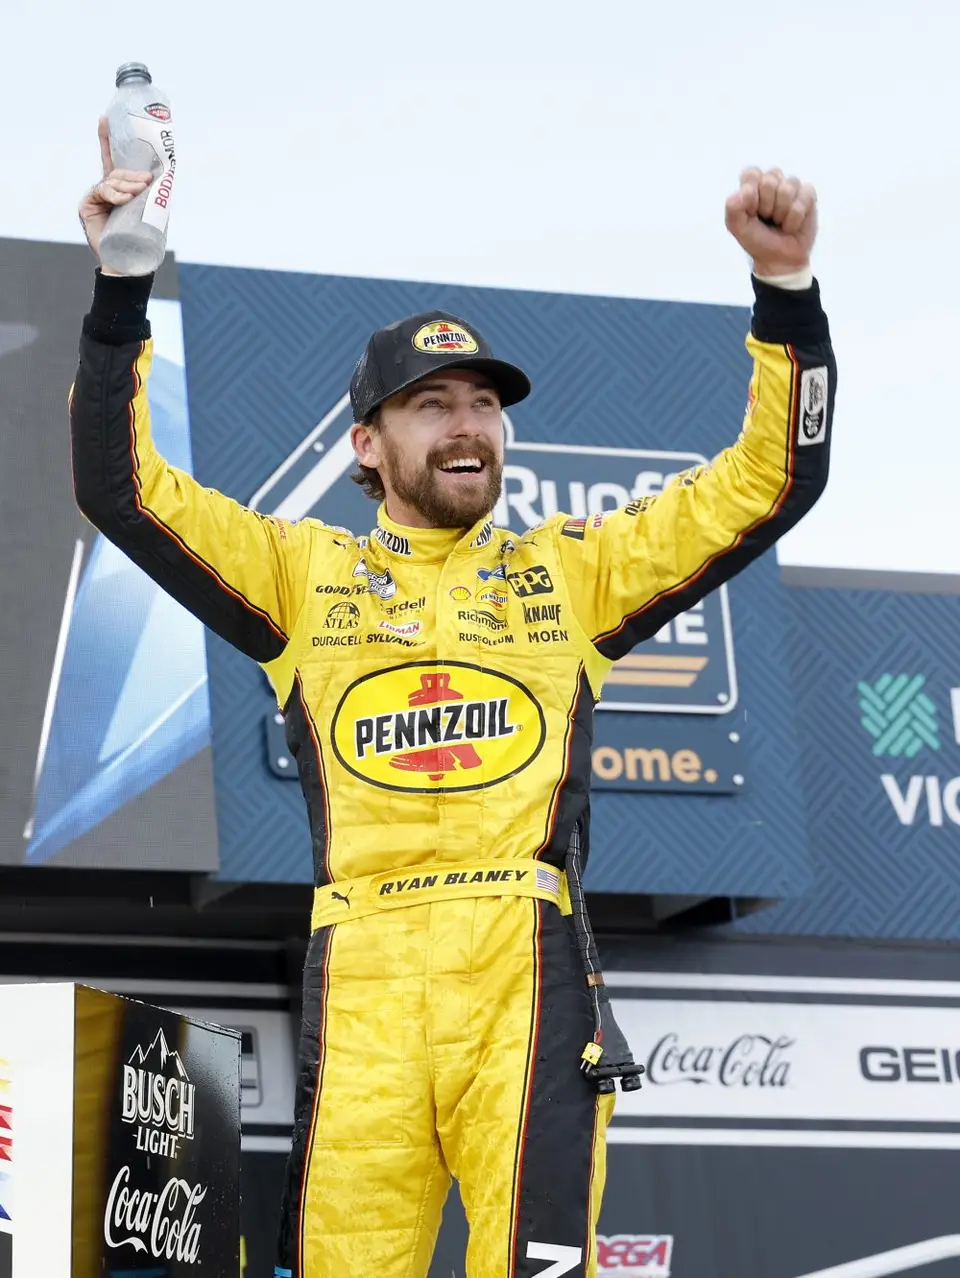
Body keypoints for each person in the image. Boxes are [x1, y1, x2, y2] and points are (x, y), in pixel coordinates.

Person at [69, 117, 832, 1278]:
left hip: (521, 970)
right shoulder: (300, 574)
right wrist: (122, 289)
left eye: (483, 403)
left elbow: (773, 482)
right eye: (434, 406)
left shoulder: (570, 574)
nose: (468, 424)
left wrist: (786, 293)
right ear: (367, 445)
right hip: (360, 971)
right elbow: (121, 490)